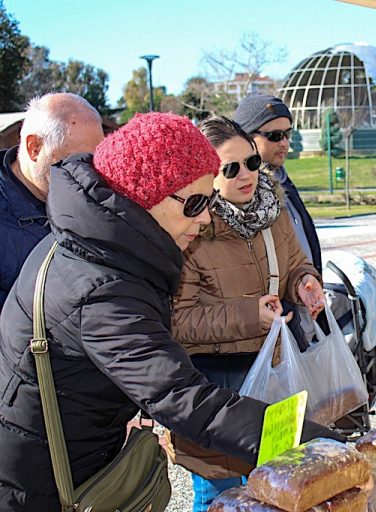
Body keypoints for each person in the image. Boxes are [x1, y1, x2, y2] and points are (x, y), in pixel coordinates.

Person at [0, 113, 341, 511]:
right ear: (145, 196)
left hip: (73, 450)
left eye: (210, 201)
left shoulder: (95, 243)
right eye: (195, 202)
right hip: (41, 481)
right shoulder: (102, 286)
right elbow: (185, 400)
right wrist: (319, 443)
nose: (206, 217)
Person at [170, 116, 326, 511]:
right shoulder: (188, 227)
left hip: (271, 381)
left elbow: (294, 265)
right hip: (214, 394)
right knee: (220, 500)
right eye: (231, 168)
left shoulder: (273, 209)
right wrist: (247, 315)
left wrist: (304, 283)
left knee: (276, 493)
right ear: (205, 174)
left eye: (252, 163)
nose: (247, 175)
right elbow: (175, 322)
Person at [0, 92, 104, 307]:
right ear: (34, 148)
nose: (88, 175)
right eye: (75, 162)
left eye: (95, 162)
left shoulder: (91, 198)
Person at [234, 94, 321, 274]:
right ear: (247, 137)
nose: (284, 143)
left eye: (287, 134)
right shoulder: (241, 191)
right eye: (275, 136)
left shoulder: (281, 178)